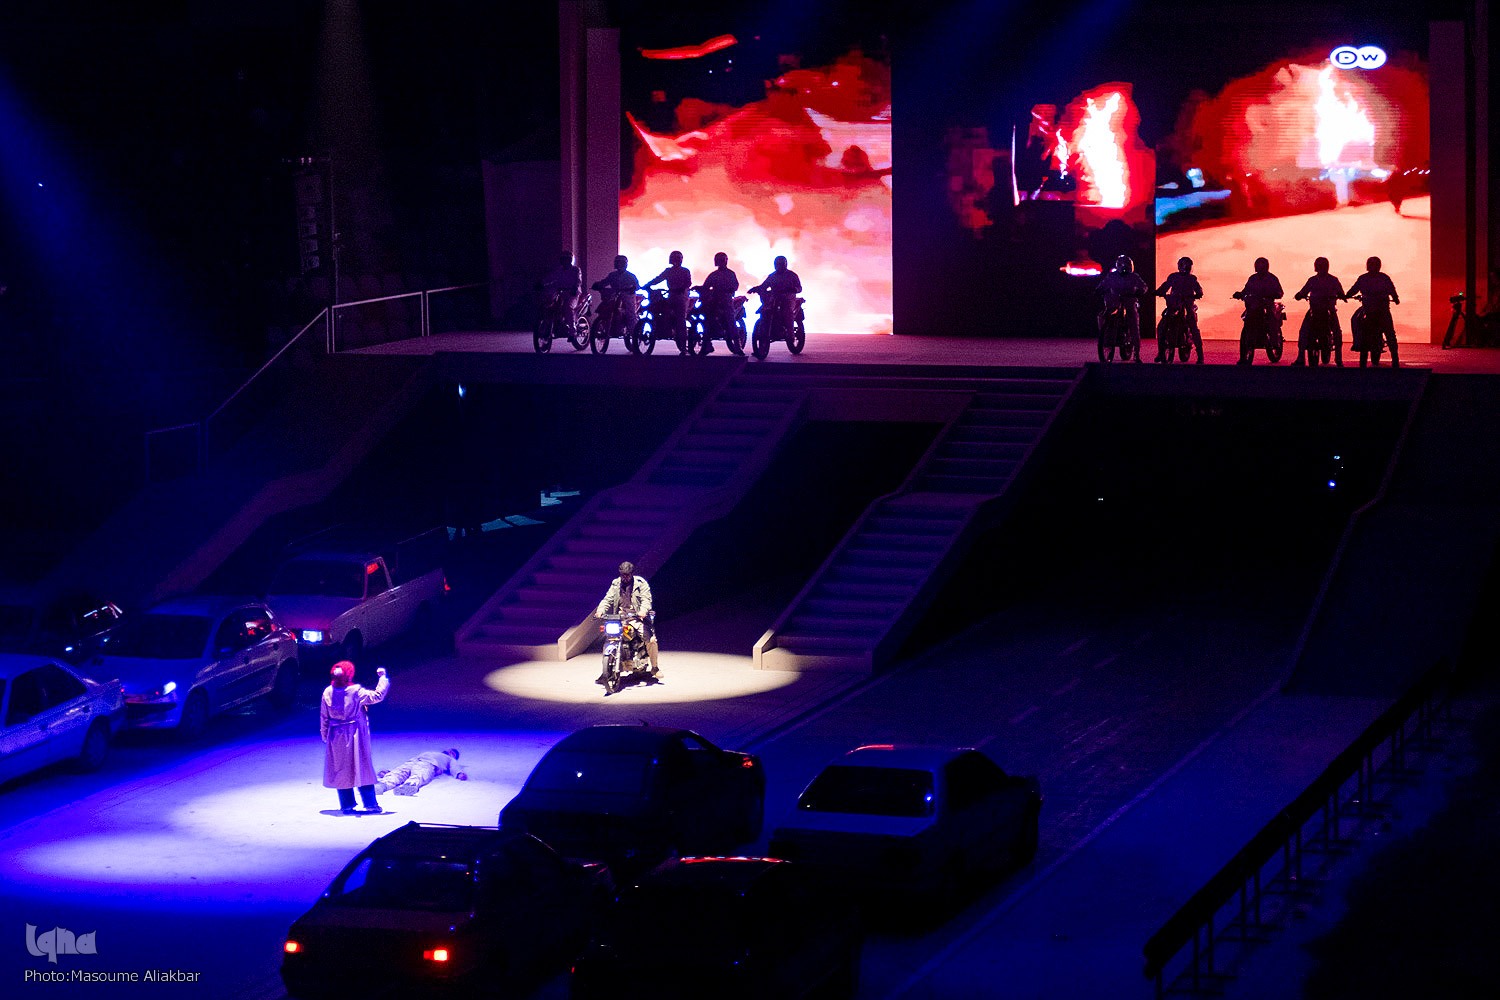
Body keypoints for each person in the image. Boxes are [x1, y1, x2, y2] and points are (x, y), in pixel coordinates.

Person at [321, 661, 390, 814]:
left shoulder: (328, 692)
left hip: (336, 736)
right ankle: (370, 804)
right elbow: (377, 696)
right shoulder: (356, 691)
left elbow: (324, 716)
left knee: (341, 769)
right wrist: (382, 678)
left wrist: (325, 735)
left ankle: (346, 805)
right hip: (355, 735)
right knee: (362, 767)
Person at [594, 560, 658, 679]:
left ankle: (655, 667)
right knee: (609, 638)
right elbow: (607, 599)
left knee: (651, 639)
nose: (625, 577)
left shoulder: (640, 583)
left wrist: (643, 611)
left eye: (627, 575)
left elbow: (646, 599)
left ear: (632, 573)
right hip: (620, 618)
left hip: (636, 618)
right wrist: (600, 611)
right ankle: (606, 670)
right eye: (623, 575)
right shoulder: (616, 584)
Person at [1346, 256, 1401, 368]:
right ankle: (1395, 359)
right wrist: (1396, 299)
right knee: (1390, 333)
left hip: (1370, 311)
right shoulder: (1384, 277)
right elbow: (1392, 291)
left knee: (1356, 321)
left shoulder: (1363, 278)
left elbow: (1353, 290)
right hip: (1382, 311)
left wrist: (1346, 296)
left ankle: (1358, 345)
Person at [1292, 257, 1347, 367]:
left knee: (1336, 332)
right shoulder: (1316, 280)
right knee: (1304, 331)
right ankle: (1301, 357)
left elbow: (1341, 292)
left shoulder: (1328, 280)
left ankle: (1338, 359)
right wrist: (1299, 295)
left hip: (1328, 310)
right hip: (1316, 310)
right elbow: (1303, 291)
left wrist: (1342, 296)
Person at [1233, 257, 1284, 365]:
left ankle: (1275, 342)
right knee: (1246, 322)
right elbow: (1246, 290)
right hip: (1254, 306)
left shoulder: (1272, 278)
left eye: (1262, 265)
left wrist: (1273, 294)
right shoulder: (1252, 278)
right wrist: (1240, 294)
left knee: (1271, 320)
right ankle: (1243, 356)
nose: (1260, 267)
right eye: (1258, 265)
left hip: (1267, 306)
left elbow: (1280, 292)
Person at [1097, 255, 1148, 363]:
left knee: (1134, 326)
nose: (1124, 267)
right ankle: (1105, 338)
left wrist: (1140, 291)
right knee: (1102, 316)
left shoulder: (1134, 277)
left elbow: (1143, 286)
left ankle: (1136, 354)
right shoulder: (1112, 276)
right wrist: (1098, 290)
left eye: (1126, 265)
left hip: (1129, 302)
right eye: (1121, 265)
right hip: (1114, 302)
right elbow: (1103, 284)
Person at [1155, 256, 1204, 364]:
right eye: (1185, 266)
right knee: (1161, 326)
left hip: (1187, 306)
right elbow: (1165, 286)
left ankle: (1200, 356)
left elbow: (1199, 289)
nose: (1186, 268)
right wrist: (1158, 291)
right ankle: (1161, 351)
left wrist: (1198, 294)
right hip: (1173, 305)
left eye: (1188, 266)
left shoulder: (1192, 279)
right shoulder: (1173, 277)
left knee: (1193, 327)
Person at [644, 250, 694, 354]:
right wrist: (647, 285)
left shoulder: (684, 271)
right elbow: (658, 279)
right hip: (672, 295)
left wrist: (681, 288)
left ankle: (683, 346)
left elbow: (688, 283)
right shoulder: (669, 271)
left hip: (681, 296)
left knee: (681, 320)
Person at [696, 252, 740, 354]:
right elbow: (706, 286)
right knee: (707, 320)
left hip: (726, 300)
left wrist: (728, 290)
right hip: (714, 301)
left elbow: (735, 286)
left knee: (731, 321)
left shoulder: (730, 274)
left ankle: (738, 347)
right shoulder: (714, 275)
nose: (720, 262)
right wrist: (699, 288)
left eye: (722, 260)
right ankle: (706, 345)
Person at [374, 748, 467, 796]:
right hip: (413, 761)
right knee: (400, 772)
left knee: (420, 773)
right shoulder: (433, 752)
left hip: (428, 763)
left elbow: (454, 767)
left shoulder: (450, 759)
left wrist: (459, 773)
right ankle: (382, 785)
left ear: (454, 756)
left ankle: (409, 786)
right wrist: (389, 771)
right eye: (450, 750)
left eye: (453, 752)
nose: (449, 752)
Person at [591, 255, 640, 335]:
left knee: (630, 314)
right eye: (618, 262)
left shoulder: (630, 276)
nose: (619, 264)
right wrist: (597, 285)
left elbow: (637, 286)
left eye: (621, 262)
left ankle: (634, 332)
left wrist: (632, 288)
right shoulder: (612, 275)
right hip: (615, 295)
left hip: (627, 295)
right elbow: (605, 282)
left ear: (625, 264)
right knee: (605, 306)